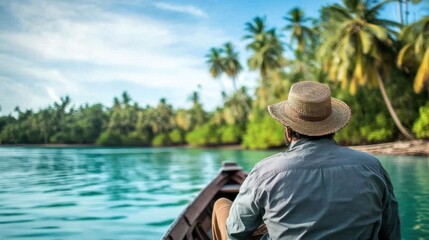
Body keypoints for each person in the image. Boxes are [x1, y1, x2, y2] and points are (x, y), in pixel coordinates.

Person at [211, 81, 400, 240]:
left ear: (287, 130)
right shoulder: (372, 166)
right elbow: (390, 233)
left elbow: (235, 232)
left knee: (221, 205)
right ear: (332, 127)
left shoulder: (266, 171)